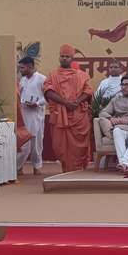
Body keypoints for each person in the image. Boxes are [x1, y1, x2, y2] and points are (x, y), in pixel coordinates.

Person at [43, 44, 93, 172]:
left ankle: (77, 171)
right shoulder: (53, 75)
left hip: (79, 116)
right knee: (59, 146)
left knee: (79, 147)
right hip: (60, 116)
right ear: (59, 57)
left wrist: (76, 102)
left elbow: (88, 91)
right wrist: (65, 103)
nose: (64, 58)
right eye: (62, 56)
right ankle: (66, 171)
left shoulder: (82, 75)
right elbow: (48, 91)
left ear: (72, 59)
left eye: (67, 56)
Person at [17, 56, 47, 175]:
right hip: (24, 115)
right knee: (23, 143)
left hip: (36, 116)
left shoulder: (41, 79)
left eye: (22, 68)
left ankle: (37, 166)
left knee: (36, 143)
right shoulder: (22, 80)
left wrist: (37, 103)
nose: (20, 70)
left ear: (30, 67)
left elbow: (48, 97)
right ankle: (18, 167)